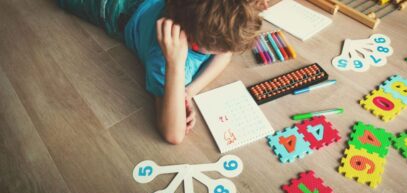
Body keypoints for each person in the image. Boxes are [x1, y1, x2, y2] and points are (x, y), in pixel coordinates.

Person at [58, 0, 268, 144]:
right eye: (224, 47)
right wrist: (175, 67)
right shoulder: (167, 60)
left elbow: (224, 54)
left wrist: (189, 90)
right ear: (199, 41)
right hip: (111, 8)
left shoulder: (192, 12)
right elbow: (173, 135)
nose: (228, 52)